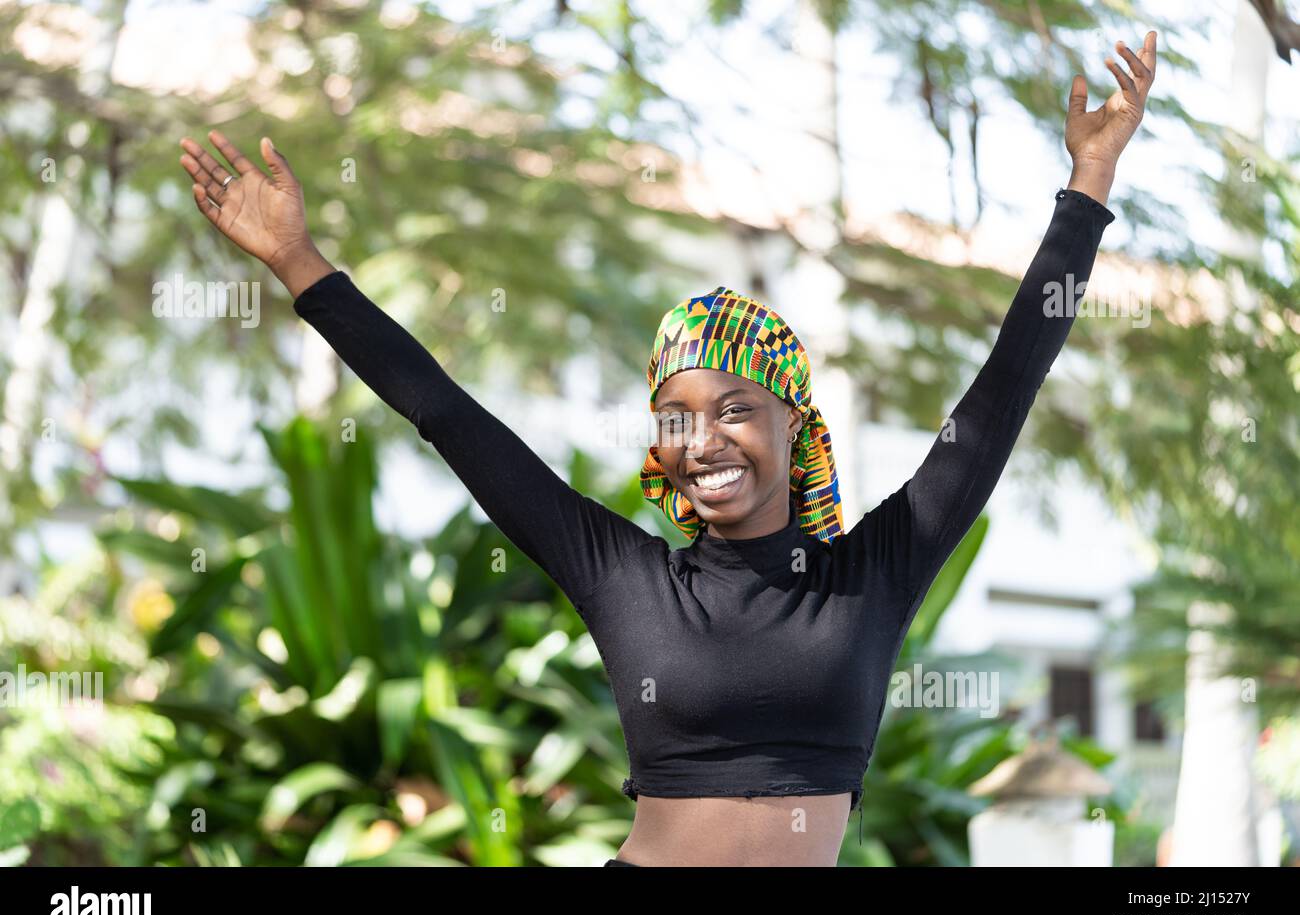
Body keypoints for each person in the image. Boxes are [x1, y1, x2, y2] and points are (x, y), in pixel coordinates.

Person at [178, 31, 1156, 866]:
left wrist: (1088, 184)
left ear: (792, 424)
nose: (704, 439)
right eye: (676, 416)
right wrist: (299, 264)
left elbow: (1001, 391)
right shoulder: (623, 575)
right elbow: (450, 415)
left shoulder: (874, 573)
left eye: (734, 407)